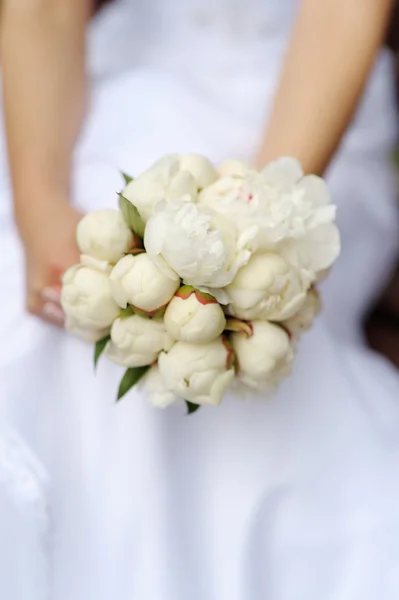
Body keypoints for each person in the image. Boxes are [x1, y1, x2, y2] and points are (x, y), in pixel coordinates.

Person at [1, 1, 399, 599]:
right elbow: (44, 11)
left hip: (310, 107)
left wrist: (260, 227)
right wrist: (41, 210)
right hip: (114, 82)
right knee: (53, 292)